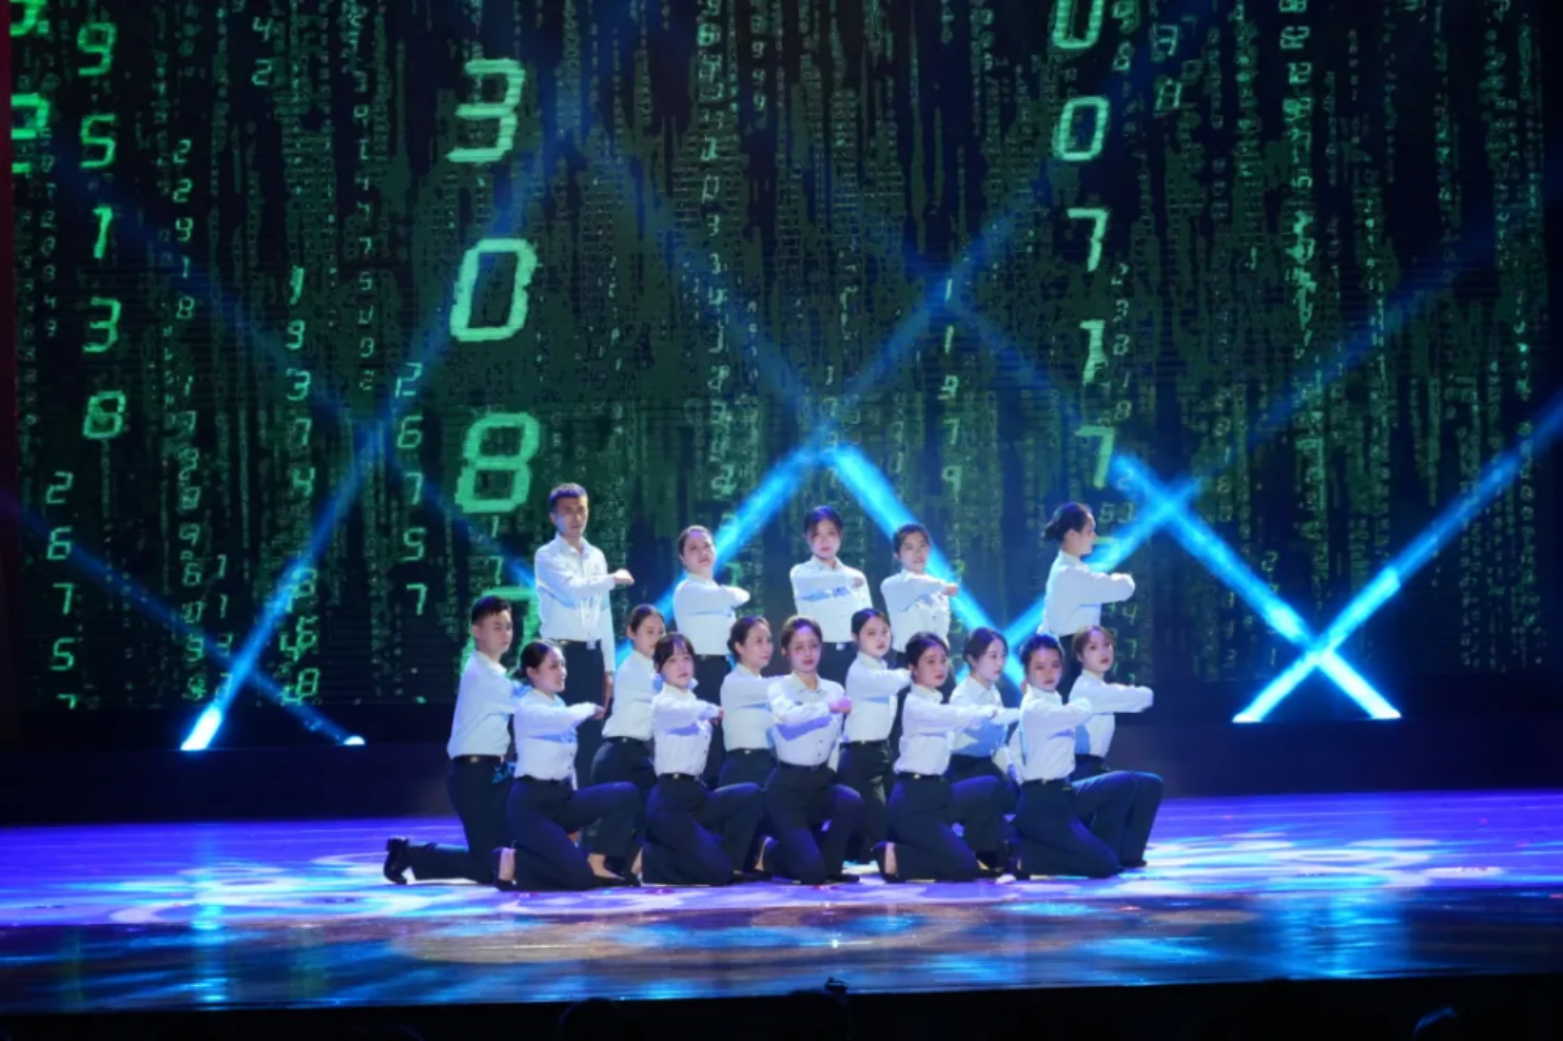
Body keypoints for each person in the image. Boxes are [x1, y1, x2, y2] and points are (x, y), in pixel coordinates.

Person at [384, 595, 519, 885]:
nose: (506, 633)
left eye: (508, 626)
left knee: (509, 850)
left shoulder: (493, 672)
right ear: (476, 631)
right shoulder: (483, 675)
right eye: (497, 626)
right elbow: (526, 705)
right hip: (475, 777)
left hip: (496, 772)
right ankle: (408, 852)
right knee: (487, 867)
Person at [493, 640, 641, 890]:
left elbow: (567, 763)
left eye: (562, 665)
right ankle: (514, 859)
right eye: (553, 666)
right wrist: (588, 707)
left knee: (626, 793)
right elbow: (561, 720)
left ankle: (597, 860)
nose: (562, 671)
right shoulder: (527, 708)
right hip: (532, 806)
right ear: (532, 672)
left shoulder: (558, 704)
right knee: (578, 878)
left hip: (562, 799)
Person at [875, 632, 1007, 882]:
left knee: (988, 786)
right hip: (914, 802)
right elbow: (956, 717)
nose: (940, 667)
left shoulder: (937, 702)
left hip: (939, 793)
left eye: (943, 660)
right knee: (963, 869)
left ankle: (978, 854)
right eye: (930, 661)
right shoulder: (916, 706)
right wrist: (989, 712)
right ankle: (896, 856)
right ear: (912, 668)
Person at [1007, 634, 1137, 879]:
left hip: (1064, 793)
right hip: (1043, 803)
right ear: (1026, 671)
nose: (1049, 673)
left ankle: (1094, 849)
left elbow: (1013, 746)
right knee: (1105, 866)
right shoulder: (1035, 707)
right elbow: (1077, 714)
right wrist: (1085, 701)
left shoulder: (1054, 700)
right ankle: (1032, 856)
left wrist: (1021, 775)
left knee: (1122, 782)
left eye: (1055, 665)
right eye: (1040, 667)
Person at [640, 634, 767, 884]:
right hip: (670, 802)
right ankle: (650, 858)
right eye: (672, 660)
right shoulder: (662, 703)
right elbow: (686, 712)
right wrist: (711, 710)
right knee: (716, 874)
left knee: (751, 794)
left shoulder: (693, 700)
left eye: (686, 658)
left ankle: (729, 864)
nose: (682, 666)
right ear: (658, 668)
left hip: (697, 796)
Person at [533, 483, 635, 780]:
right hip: (559, 656)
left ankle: (589, 803)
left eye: (581, 510)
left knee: (591, 736)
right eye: (568, 511)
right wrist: (612, 579)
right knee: (561, 736)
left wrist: (609, 669)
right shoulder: (547, 555)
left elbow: (603, 613)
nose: (577, 517)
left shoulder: (596, 556)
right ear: (553, 517)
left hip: (592, 657)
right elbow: (572, 589)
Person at [761, 616, 865, 885]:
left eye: (813, 645)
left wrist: (830, 771)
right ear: (786, 652)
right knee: (811, 874)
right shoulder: (778, 688)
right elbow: (788, 717)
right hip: (787, 789)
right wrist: (828, 706)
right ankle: (767, 853)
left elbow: (836, 739)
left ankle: (831, 865)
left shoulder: (834, 688)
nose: (807, 653)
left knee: (850, 800)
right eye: (799, 647)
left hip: (820, 784)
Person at [1069, 625, 1162, 867]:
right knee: (1122, 783)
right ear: (1079, 656)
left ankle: (1128, 854)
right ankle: (1105, 854)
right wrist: (1137, 694)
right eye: (1093, 647)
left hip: (1096, 767)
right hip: (1079, 770)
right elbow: (1143, 698)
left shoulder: (1100, 689)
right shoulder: (1085, 690)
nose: (1103, 651)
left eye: (1107, 645)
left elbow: (1139, 700)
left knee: (1150, 784)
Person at [671, 525, 750, 784]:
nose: (702, 552)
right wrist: (737, 593)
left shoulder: (713, 590)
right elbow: (736, 595)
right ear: (683, 558)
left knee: (724, 743)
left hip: (723, 669)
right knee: (707, 747)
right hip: (701, 673)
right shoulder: (687, 590)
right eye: (693, 548)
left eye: (707, 546)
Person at [1037, 502, 1135, 690]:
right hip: (1074, 662)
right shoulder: (1069, 574)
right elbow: (1123, 589)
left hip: (1074, 658)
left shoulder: (1065, 570)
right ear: (1072, 534)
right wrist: (1126, 577)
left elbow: (1046, 622)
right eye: (1089, 531)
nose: (1094, 537)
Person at [837, 608, 909, 858]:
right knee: (877, 828)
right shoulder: (860, 672)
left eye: (884, 632)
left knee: (895, 820)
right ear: (855, 637)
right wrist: (916, 669)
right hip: (861, 757)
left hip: (882, 752)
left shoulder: (882, 667)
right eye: (871, 633)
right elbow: (889, 683)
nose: (880, 638)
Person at [789, 506, 872, 685]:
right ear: (806, 538)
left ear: (840, 535)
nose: (824, 540)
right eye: (816, 535)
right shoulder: (801, 573)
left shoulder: (856, 576)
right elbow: (820, 582)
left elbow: (868, 622)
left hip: (855, 657)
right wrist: (848, 580)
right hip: (818, 657)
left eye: (831, 533)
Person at [590, 605, 665, 798]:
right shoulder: (632, 670)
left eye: (661, 632)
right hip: (618, 758)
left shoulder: (654, 669)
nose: (656, 639)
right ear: (631, 633)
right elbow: (667, 698)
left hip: (639, 756)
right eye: (649, 632)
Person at [946, 628, 1021, 812]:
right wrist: (1024, 712)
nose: (1000, 663)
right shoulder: (961, 696)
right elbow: (990, 718)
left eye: (1003, 655)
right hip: (965, 771)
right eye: (993, 656)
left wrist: (1015, 773)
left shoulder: (993, 691)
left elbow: (999, 744)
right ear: (972, 659)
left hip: (989, 766)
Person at [878, 523, 957, 667]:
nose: (918, 552)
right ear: (897, 555)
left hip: (939, 662)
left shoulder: (937, 588)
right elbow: (914, 584)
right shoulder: (892, 585)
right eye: (909, 547)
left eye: (922, 546)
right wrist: (943, 586)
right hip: (908, 663)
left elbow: (942, 631)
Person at [717, 616, 779, 788]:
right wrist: (803, 678)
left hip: (767, 766)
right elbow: (775, 688)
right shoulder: (733, 683)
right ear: (739, 647)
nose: (766, 647)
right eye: (758, 641)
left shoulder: (762, 684)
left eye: (769, 640)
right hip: (743, 770)